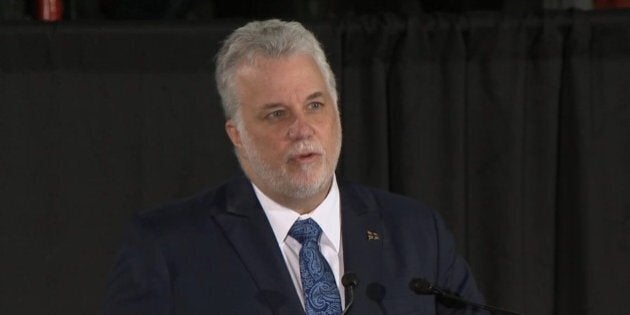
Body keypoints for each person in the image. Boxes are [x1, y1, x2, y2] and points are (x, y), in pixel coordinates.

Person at [103, 19, 485, 315]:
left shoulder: (417, 233)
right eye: (276, 114)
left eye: (315, 105)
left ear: (337, 112)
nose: (301, 129)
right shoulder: (168, 246)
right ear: (237, 134)